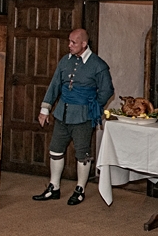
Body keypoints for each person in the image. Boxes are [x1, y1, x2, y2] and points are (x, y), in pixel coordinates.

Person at [35, 28, 114, 205]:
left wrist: (92, 104)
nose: (69, 45)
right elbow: (55, 84)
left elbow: (107, 90)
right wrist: (45, 110)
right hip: (62, 113)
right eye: (69, 41)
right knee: (55, 149)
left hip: (83, 116)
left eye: (73, 42)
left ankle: (80, 189)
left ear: (84, 44)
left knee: (82, 154)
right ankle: (53, 187)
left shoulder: (98, 65)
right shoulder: (65, 61)